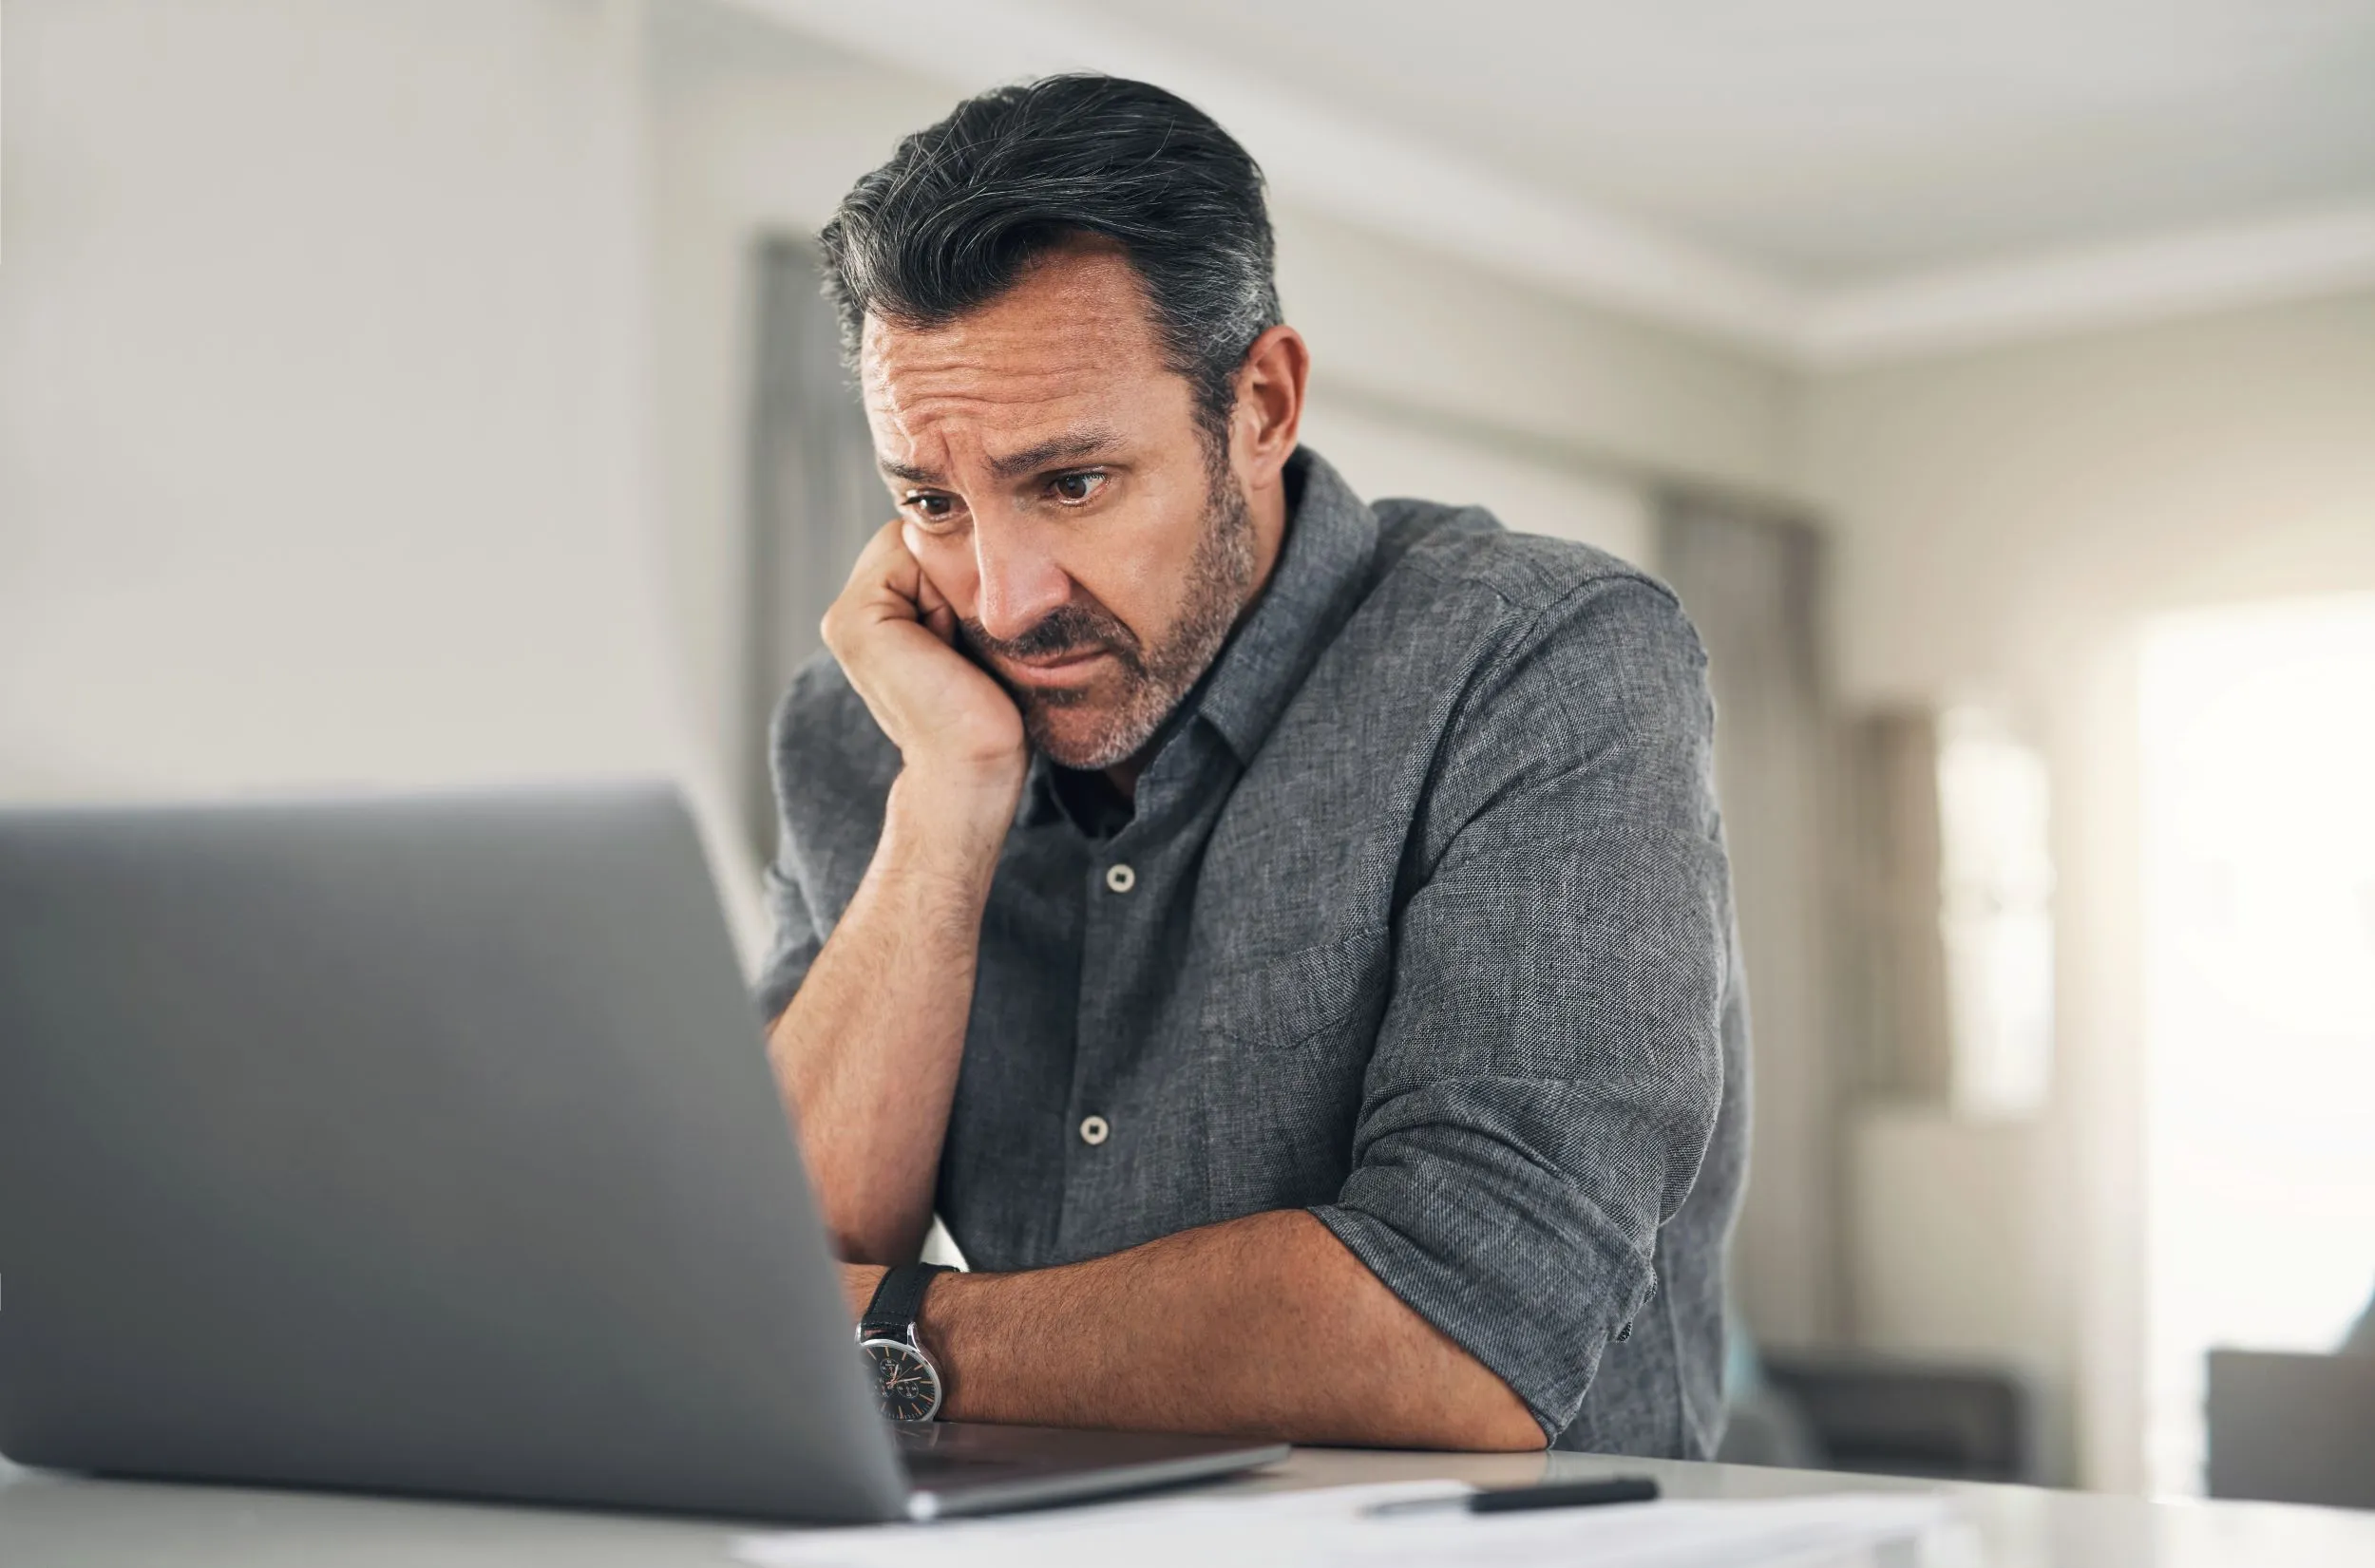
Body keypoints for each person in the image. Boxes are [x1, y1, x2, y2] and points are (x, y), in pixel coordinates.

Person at [757, 74, 1748, 1456]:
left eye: (1072, 483)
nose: (997, 595)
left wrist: (897, 1332)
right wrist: (945, 802)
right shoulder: (878, 716)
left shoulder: (1543, 660)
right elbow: (762, 1268)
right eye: (930, 500)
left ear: (1263, 405)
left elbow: (1469, 1333)